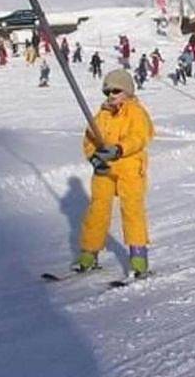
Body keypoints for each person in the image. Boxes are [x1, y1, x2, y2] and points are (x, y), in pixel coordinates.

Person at [72, 69, 155, 278]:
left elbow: (140, 137)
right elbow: (89, 138)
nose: (111, 95)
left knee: (132, 209)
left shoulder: (136, 112)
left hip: (129, 166)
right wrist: (94, 158)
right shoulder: (103, 114)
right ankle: (89, 252)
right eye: (107, 91)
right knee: (97, 209)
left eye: (116, 91)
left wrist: (119, 149)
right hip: (105, 168)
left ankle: (138, 257)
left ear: (127, 91)